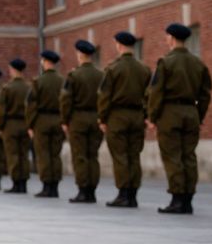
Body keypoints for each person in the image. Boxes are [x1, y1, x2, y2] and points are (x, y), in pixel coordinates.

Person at [147, 23, 212, 215]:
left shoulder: (166, 62)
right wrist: (199, 116)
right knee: (189, 156)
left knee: (173, 156)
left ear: (172, 39)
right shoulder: (198, 63)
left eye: (167, 36)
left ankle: (177, 198)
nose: (166, 39)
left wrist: (153, 116)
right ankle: (188, 199)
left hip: (170, 113)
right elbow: (205, 94)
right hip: (191, 112)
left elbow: (155, 92)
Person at [98, 31, 150, 208]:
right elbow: (149, 95)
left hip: (117, 116)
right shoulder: (143, 69)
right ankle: (133, 194)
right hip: (137, 116)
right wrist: (146, 116)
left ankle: (123, 194)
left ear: (119, 45)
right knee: (134, 156)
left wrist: (102, 118)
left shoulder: (113, 68)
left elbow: (105, 96)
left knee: (120, 156)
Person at [61, 40, 104, 204]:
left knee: (80, 156)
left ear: (79, 54)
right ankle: (92, 190)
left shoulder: (74, 75)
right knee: (93, 155)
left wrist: (65, 120)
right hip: (95, 118)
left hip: (78, 118)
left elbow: (66, 99)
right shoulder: (101, 75)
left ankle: (83, 190)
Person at [27, 50, 65, 198]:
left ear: (45, 62)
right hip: (58, 119)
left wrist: (30, 124)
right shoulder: (62, 81)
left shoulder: (38, 81)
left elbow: (31, 105)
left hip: (42, 120)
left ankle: (46, 186)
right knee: (55, 154)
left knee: (43, 154)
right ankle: (55, 186)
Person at [0, 58, 32, 194]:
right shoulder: (29, 87)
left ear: (13, 70)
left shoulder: (7, 88)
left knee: (13, 154)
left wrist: (0, 126)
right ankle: (23, 182)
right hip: (25, 122)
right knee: (23, 154)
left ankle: (16, 182)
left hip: (10, 124)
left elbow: (1, 110)